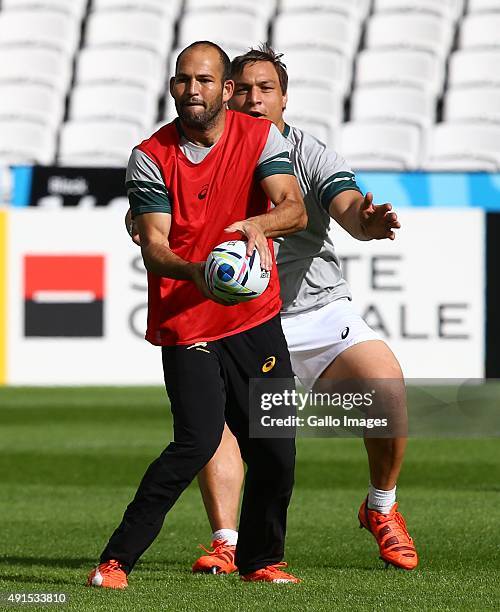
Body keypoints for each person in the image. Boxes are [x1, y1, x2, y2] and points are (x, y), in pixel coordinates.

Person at [189, 45, 418, 574]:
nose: (253, 99)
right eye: (242, 89)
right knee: (214, 425)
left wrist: (368, 221)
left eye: (265, 89)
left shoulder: (309, 153)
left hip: (314, 310)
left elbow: (349, 209)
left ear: (284, 99)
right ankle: (226, 541)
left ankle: (380, 508)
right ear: (226, 95)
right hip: (237, 318)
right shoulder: (198, 152)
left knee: (385, 388)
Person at [87, 40, 307, 589]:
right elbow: (155, 247)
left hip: (256, 317)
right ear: (171, 87)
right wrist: (200, 274)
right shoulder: (150, 154)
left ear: (226, 89)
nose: (193, 90)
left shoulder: (259, 135)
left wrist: (262, 225)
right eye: (184, 80)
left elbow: (294, 207)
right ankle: (116, 561)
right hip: (188, 319)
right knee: (196, 441)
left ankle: (261, 560)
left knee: (276, 449)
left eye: (205, 80)